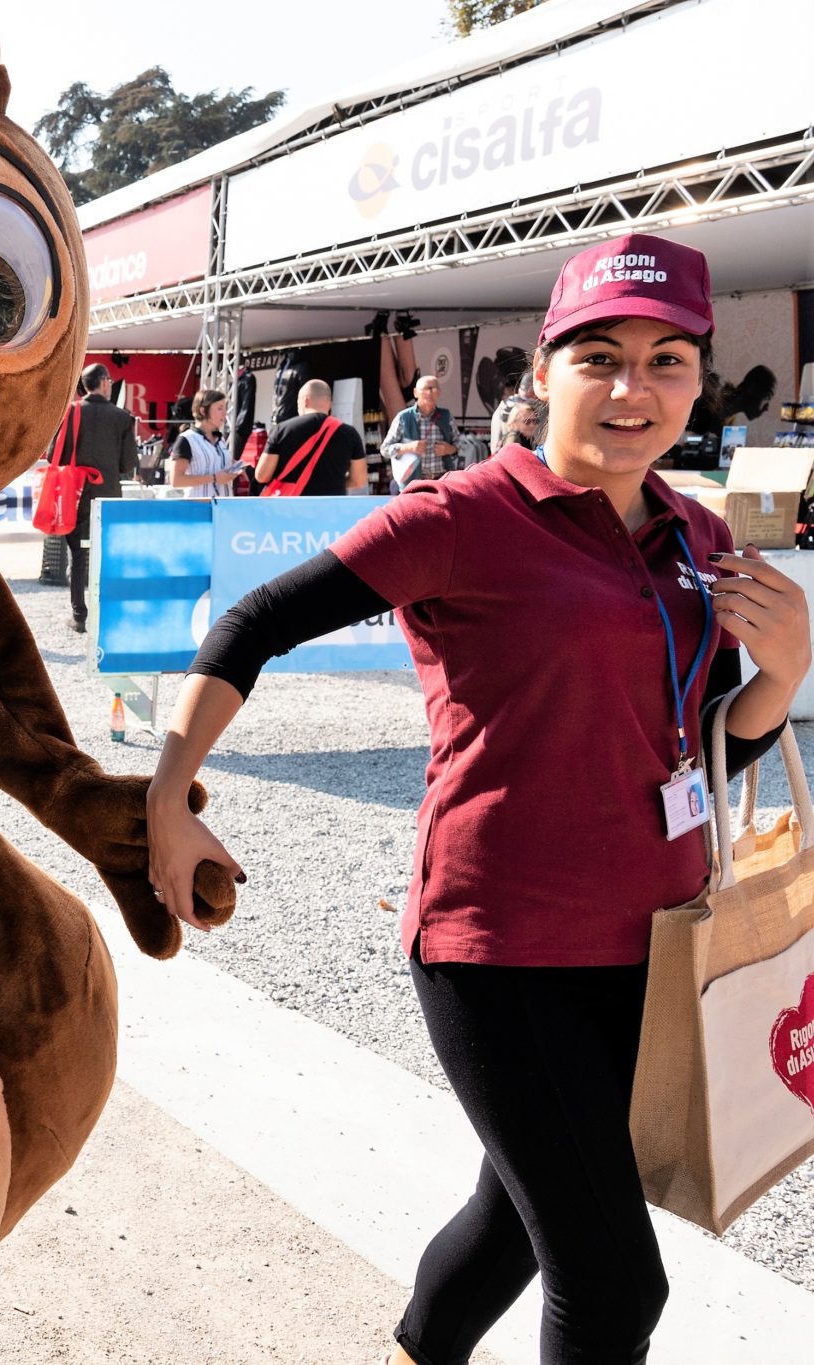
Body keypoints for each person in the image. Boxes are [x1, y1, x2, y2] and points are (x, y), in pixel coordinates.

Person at [144, 233, 810, 1365]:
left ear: (697, 381)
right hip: (499, 945)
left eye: (665, 361)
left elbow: (692, 757)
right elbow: (249, 627)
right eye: (598, 355)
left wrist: (781, 680)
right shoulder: (457, 518)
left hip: (654, 944)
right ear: (540, 371)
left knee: (509, 1227)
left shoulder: (695, 535)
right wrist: (168, 795)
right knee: (611, 1284)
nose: (630, 388)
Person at [64, 363, 134, 633]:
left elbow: (54, 455)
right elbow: (127, 465)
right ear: (105, 383)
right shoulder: (122, 417)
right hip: (108, 495)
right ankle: (106, 612)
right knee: (106, 554)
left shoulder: (71, 412)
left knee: (78, 555)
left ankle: (79, 614)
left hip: (76, 493)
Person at [254, 378, 368, 496]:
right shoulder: (350, 433)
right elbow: (359, 481)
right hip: (333, 507)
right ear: (330, 404)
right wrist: (333, 484)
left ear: (305, 401)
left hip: (291, 507)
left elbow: (262, 476)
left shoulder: (281, 430)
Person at [383, 374, 459, 489]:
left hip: (442, 481)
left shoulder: (446, 416)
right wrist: (408, 448)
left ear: (439, 393)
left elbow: (459, 445)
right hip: (413, 482)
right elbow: (385, 449)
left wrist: (450, 449)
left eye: (433, 389)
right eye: (425, 389)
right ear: (415, 393)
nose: (429, 393)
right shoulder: (404, 417)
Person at [167, 387, 245, 498]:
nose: (224, 413)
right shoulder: (187, 439)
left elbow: (214, 464)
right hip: (199, 507)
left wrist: (236, 466)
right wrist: (214, 478)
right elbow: (176, 480)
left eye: (225, 408)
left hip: (224, 506)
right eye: (220, 408)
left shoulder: (220, 439)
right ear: (203, 411)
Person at [489, 393, 546, 459]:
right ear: (513, 423)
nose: (532, 425)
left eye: (535, 421)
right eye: (527, 422)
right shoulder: (514, 437)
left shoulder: (529, 439)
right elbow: (510, 462)